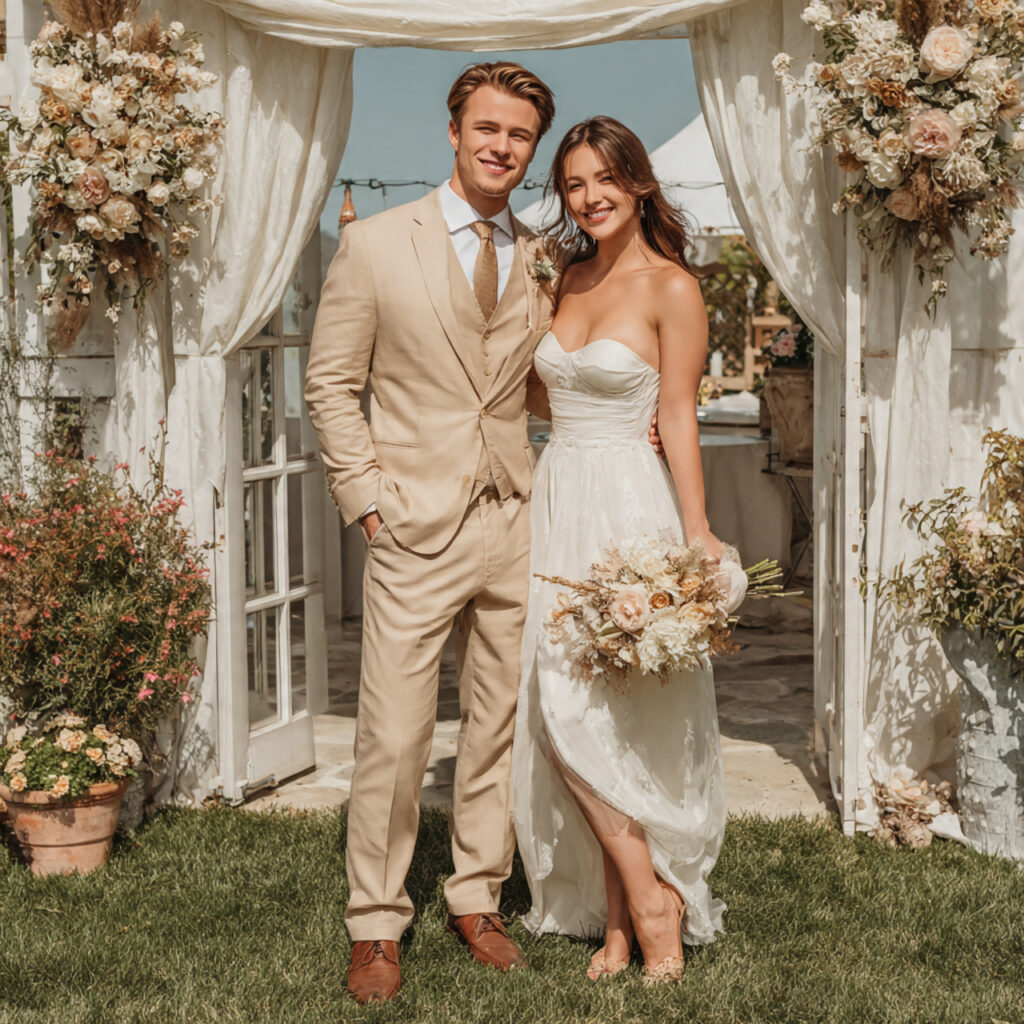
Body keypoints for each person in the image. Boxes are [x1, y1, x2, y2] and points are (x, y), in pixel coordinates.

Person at [305, 62, 558, 1005]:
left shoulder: (541, 253)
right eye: (487, 128)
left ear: (533, 148)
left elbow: (530, 383)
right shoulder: (376, 245)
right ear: (453, 132)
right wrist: (365, 495)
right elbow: (332, 383)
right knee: (397, 734)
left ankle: (477, 895)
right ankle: (375, 922)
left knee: (494, 725)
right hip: (411, 522)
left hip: (515, 519)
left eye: (520, 135)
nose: (502, 146)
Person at [511, 115, 733, 986]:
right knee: (564, 708)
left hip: (627, 507)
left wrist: (698, 531)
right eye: (572, 183)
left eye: (605, 178)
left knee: (603, 715)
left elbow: (677, 415)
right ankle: (621, 917)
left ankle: (650, 906)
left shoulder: (672, 288)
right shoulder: (561, 278)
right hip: (557, 492)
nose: (589, 196)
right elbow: (536, 395)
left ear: (639, 184)